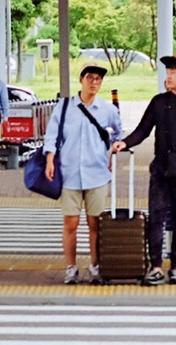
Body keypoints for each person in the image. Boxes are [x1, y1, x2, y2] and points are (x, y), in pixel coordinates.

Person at [117, 54, 176, 286]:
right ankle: (156, 266)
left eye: (173, 73)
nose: (168, 77)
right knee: (156, 217)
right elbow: (143, 130)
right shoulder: (159, 102)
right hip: (160, 170)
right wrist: (125, 143)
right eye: (167, 72)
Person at [44, 63, 122, 285]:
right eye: (90, 78)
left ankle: (95, 267)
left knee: (95, 223)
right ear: (81, 80)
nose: (94, 83)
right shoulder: (65, 106)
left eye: (98, 79)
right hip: (69, 173)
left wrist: (113, 150)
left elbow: (118, 133)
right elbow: (52, 135)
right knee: (70, 222)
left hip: (97, 173)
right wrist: (50, 159)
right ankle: (71, 267)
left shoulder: (108, 110)